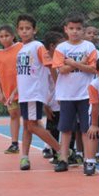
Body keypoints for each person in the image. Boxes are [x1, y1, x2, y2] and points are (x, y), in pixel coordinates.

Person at [14, 15, 62, 170]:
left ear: (35, 30)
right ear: (17, 31)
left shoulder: (37, 47)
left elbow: (51, 66)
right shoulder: (21, 49)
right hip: (24, 94)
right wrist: (14, 92)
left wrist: (58, 87)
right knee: (28, 126)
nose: (24, 31)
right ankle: (25, 158)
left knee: (32, 125)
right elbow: (21, 75)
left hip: (34, 93)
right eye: (21, 29)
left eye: (28, 28)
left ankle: (62, 150)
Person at [51, 14, 97, 172]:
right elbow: (61, 70)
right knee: (65, 129)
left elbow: (93, 68)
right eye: (71, 28)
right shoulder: (61, 48)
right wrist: (80, 63)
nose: (75, 31)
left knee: (86, 129)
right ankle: (63, 159)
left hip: (85, 94)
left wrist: (73, 62)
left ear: (83, 30)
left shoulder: (89, 47)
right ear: (66, 29)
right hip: (66, 94)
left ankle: (88, 160)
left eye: (78, 28)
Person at [0, 25, 22, 154]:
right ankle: (14, 144)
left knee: (32, 120)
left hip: (24, 88)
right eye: (1, 36)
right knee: (14, 115)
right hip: (9, 92)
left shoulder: (21, 47)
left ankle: (49, 146)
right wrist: (0, 93)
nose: (4, 38)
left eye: (7, 35)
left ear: (13, 36)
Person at [41, 30, 66, 161]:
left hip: (64, 100)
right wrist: (45, 104)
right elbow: (43, 85)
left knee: (66, 127)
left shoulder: (62, 61)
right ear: (52, 46)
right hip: (53, 102)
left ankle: (67, 152)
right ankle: (54, 151)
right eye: (61, 44)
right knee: (53, 128)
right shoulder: (46, 65)